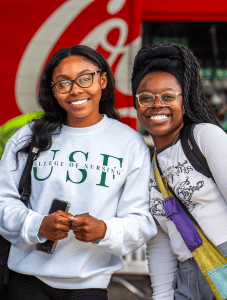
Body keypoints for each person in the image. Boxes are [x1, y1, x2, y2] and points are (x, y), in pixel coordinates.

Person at [0, 45, 157, 300]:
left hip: (89, 285)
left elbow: (142, 221)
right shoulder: (30, 136)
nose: (76, 90)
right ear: (52, 90)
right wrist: (38, 224)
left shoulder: (129, 143)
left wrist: (104, 229)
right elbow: (2, 201)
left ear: (103, 79)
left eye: (85, 78)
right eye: (63, 83)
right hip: (26, 281)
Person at [131, 42, 227, 299]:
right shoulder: (149, 165)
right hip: (187, 277)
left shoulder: (205, 137)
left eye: (168, 96)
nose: (156, 105)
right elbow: (161, 237)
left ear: (186, 100)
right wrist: (161, 295)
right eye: (146, 98)